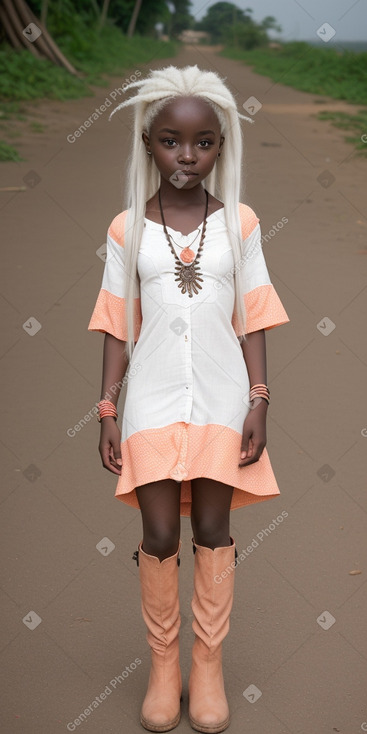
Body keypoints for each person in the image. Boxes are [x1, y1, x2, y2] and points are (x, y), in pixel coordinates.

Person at [88, 64, 290, 733]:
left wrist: (258, 399)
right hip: (147, 401)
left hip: (222, 401)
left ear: (219, 147)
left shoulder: (241, 224)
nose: (187, 154)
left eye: (203, 141)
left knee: (213, 529)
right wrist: (108, 409)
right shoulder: (126, 230)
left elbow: (253, 314)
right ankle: (163, 665)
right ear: (148, 143)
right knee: (157, 532)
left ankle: (207, 665)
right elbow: (117, 324)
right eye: (172, 141)